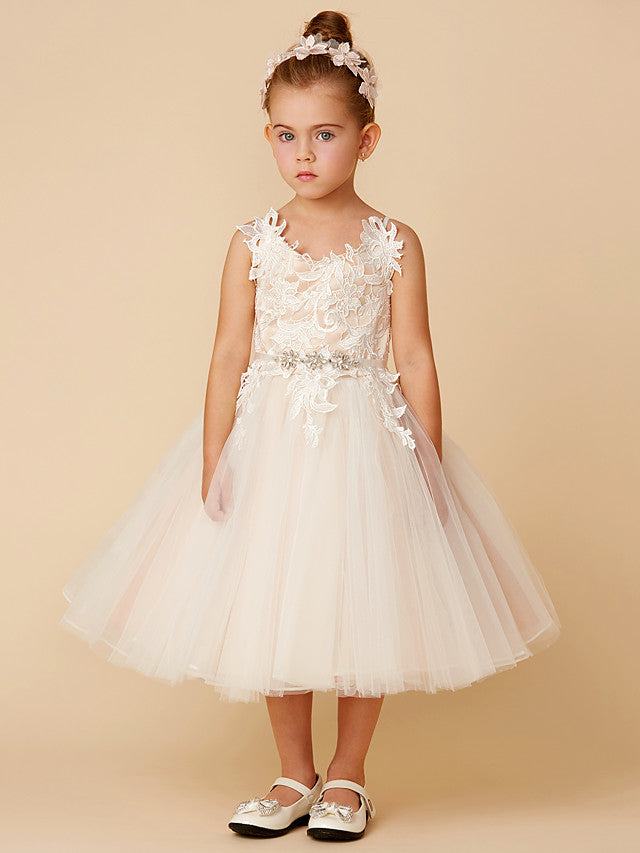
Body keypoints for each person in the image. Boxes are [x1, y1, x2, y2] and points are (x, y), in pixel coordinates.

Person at [59, 9, 562, 842]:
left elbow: (416, 357)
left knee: (369, 600)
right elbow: (228, 353)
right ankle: (295, 771)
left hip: (368, 440)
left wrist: (428, 463)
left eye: (324, 135)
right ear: (268, 137)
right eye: (287, 136)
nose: (304, 153)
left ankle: (350, 773)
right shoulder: (252, 242)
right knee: (274, 597)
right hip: (272, 443)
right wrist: (215, 455)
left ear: (366, 140)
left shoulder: (395, 242)